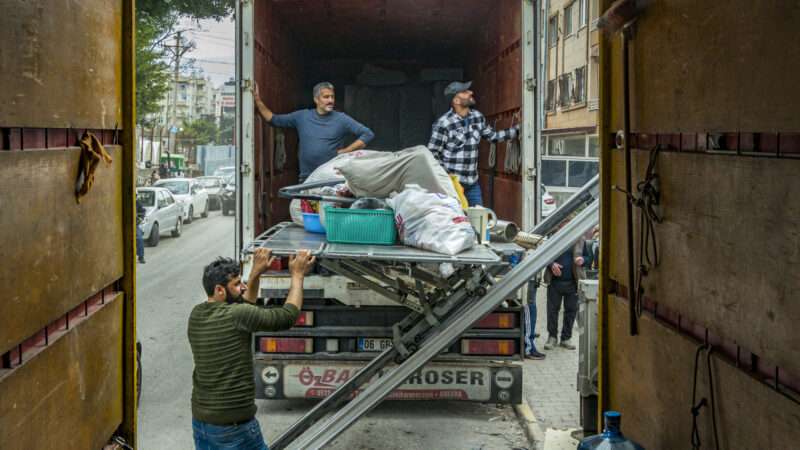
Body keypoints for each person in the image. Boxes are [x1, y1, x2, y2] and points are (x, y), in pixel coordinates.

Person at [188, 248, 316, 450]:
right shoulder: (237, 315)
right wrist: (297, 275)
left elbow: (245, 302)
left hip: (202, 424)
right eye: (237, 284)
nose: (243, 287)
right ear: (219, 290)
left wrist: (256, 272)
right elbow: (287, 316)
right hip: (234, 429)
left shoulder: (197, 315)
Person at [253, 82, 375, 182]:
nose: (331, 100)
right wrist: (257, 100)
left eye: (332, 97)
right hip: (307, 178)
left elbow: (367, 134)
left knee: (328, 211)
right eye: (326, 97)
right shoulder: (302, 117)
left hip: (332, 178)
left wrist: (345, 151)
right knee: (306, 211)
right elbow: (274, 119)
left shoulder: (341, 119)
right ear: (316, 99)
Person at [427, 81, 519, 206]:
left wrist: (518, 129)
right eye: (465, 92)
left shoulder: (477, 117)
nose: (471, 92)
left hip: (472, 184)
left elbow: (493, 137)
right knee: (456, 221)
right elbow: (432, 154)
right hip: (452, 185)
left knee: (479, 221)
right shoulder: (443, 123)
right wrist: (448, 177)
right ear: (456, 101)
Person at [543, 237, 590, 350]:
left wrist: (583, 260)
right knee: (552, 311)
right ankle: (552, 337)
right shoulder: (554, 238)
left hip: (573, 283)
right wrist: (551, 264)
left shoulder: (581, 240)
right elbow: (544, 256)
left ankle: (566, 338)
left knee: (571, 311)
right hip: (554, 282)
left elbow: (589, 258)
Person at [523, 278, 546, 359]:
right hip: (527, 278)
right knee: (530, 311)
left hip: (532, 279)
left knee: (532, 309)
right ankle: (528, 349)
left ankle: (529, 346)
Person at [136, 198, 146, 264]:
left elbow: (142, 211)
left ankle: (141, 257)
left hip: (133, 225)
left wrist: (140, 218)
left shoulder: (136, 202)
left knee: (139, 239)